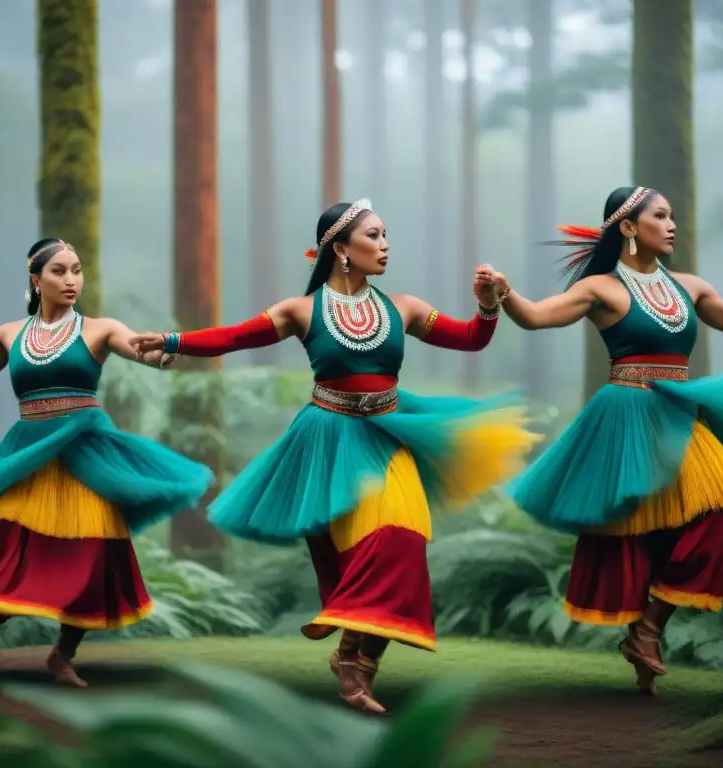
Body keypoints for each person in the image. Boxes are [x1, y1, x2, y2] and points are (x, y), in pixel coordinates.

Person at [131, 199, 538, 714]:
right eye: (375, 235)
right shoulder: (302, 311)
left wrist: (486, 304)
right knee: (356, 558)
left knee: (401, 544)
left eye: (387, 234)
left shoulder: (405, 308)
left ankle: (354, 660)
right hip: (327, 442)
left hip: (390, 435)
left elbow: (471, 340)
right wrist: (172, 341)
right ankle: (355, 667)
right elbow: (234, 337)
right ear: (341, 249)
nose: (385, 244)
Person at [489, 186, 723, 696]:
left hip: (679, 412)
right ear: (628, 227)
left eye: (672, 216)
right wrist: (502, 295)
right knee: (634, 529)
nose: (671, 226)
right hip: (625, 414)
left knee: (714, 508)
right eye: (660, 216)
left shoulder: (688, 287)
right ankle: (641, 644)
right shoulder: (601, 288)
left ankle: (648, 628)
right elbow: (537, 316)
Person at [0, 238, 215, 688]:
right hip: (29, 449)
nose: (71, 279)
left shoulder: (100, 329)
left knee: (94, 548)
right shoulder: (9, 334)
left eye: (76, 270)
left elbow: (144, 351)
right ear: (36, 280)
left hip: (84, 448)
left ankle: (63, 654)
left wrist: (165, 351)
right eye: (59, 271)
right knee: (8, 521)